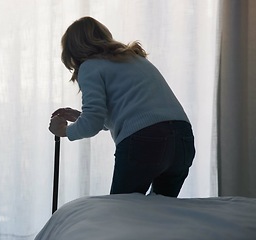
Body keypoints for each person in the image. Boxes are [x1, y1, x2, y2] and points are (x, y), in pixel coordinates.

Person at [49, 16, 195, 197]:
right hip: (183, 139)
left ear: (72, 51)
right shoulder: (135, 59)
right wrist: (80, 117)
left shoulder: (90, 66)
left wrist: (63, 131)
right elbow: (130, 109)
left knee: (121, 214)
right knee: (160, 213)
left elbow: (93, 124)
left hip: (145, 141)